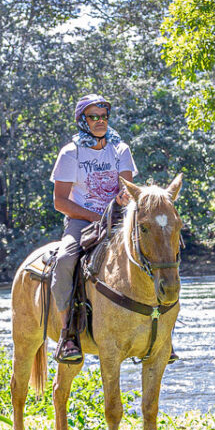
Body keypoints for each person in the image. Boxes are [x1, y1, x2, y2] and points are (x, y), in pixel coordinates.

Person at [48, 95, 136, 363]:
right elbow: (59, 201)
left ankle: (163, 333)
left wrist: (124, 198)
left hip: (119, 219)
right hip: (81, 221)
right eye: (93, 117)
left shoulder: (121, 150)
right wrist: (95, 216)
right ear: (82, 121)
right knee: (64, 260)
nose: (100, 122)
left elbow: (127, 190)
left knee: (154, 249)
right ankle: (67, 334)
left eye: (104, 116)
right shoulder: (70, 153)